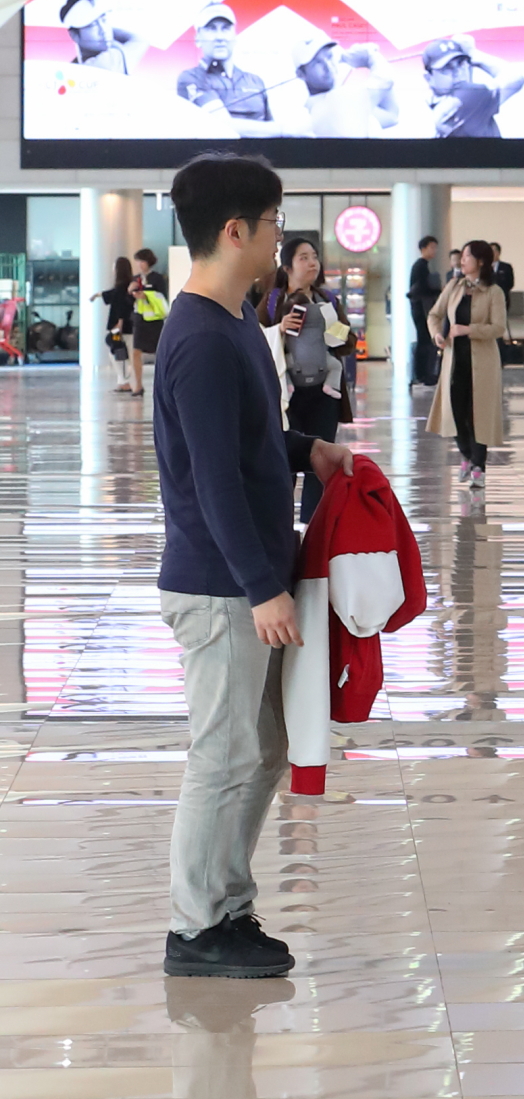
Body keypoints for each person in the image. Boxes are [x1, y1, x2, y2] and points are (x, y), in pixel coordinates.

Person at [153, 151, 352, 978]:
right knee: (225, 752)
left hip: (246, 578)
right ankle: (195, 927)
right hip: (220, 585)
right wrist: (261, 587)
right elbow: (212, 478)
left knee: (265, 748)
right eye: (274, 223)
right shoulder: (198, 335)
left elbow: (248, 443)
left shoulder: (236, 320)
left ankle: (230, 906)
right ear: (235, 230)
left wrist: (311, 451)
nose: (282, 237)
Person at [258, 238, 355, 521]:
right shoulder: (274, 299)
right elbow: (253, 337)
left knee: (321, 463)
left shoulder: (327, 300)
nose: (312, 262)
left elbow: (347, 342)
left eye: (314, 256)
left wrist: (332, 330)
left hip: (324, 395)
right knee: (283, 460)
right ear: (287, 266)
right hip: (287, 397)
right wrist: (279, 329)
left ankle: (314, 526)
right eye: (303, 257)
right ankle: (279, 524)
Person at [426, 239, 508, 491]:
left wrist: (469, 329)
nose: (461, 261)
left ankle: (479, 467)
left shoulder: (494, 292)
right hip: (454, 361)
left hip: (482, 363)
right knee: (456, 412)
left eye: (466, 257)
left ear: (480, 262)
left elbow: (498, 327)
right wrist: (437, 335)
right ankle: (467, 456)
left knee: (479, 415)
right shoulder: (454, 286)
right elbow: (435, 314)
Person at [175, 2, 273, 133]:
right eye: (211, 29)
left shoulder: (256, 81)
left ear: (235, 36)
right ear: (198, 38)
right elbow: (224, 128)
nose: (220, 37)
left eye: (225, 28)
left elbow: (273, 132)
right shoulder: (190, 78)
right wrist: (284, 130)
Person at [421, 37, 524, 139]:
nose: (457, 72)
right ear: (429, 78)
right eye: (447, 68)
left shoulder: (437, 103)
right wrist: (473, 53)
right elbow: (515, 77)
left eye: (460, 63)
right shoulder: (468, 97)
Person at [59, 0, 145, 74]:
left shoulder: (73, 68)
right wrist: (110, 38)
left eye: (104, 20)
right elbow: (139, 40)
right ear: (74, 35)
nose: (103, 30)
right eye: (93, 25)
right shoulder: (106, 62)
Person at [95, 253, 136, 395]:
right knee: (119, 351)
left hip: (120, 327)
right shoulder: (124, 286)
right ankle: (122, 382)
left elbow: (121, 305)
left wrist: (119, 323)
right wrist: (97, 295)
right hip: (122, 327)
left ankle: (125, 382)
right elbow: (111, 295)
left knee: (119, 353)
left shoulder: (123, 287)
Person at [130, 245, 169, 394]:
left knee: (158, 352)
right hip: (140, 320)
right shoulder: (136, 279)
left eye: (142, 261)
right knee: (136, 351)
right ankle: (138, 384)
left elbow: (161, 298)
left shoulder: (157, 278)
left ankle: (162, 383)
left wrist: (147, 295)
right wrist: (130, 291)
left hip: (155, 320)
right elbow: (129, 301)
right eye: (138, 261)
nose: (139, 264)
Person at [407, 235, 442, 389]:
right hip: (421, 308)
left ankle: (422, 374)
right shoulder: (420, 266)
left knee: (425, 341)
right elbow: (420, 288)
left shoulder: (423, 265)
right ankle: (422, 374)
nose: (434, 251)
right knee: (424, 341)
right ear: (423, 248)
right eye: (432, 247)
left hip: (420, 307)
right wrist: (436, 290)